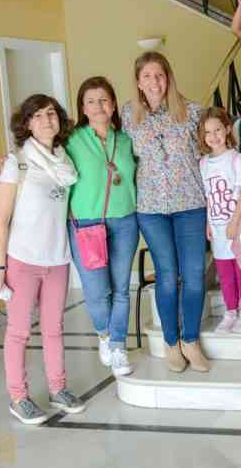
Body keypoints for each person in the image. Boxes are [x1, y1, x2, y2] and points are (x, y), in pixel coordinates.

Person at [0, 94, 86, 424]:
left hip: (57, 259)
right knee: (18, 333)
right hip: (22, 260)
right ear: (26, 123)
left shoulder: (65, 161)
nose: (47, 120)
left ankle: (59, 389)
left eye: (52, 114)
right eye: (39, 115)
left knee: (54, 329)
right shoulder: (16, 163)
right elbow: (2, 220)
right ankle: (19, 397)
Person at [122, 51, 209, 373]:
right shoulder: (129, 115)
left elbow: (210, 155)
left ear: (168, 77)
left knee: (195, 276)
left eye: (159, 75)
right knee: (168, 277)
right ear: (138, 82)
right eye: (147, 76)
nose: (154, 82)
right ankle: (171, 343)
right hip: (151, 209)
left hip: (191, 206)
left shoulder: (193, 112)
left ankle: (191, 340)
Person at [66, 77, 138, 377]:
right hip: (86, 223)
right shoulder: (71, 140)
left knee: (121, 288)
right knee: (97, 291)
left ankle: (118, 345)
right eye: (92, 100)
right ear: (83, 107)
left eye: (105, 99)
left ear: (113, 104)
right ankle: (105, 334)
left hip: (124, 220)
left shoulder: (126, 139)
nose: (99, 106)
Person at [198, 107, 241, 334]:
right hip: (217, 226)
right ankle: (230, 311)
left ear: (227, 129)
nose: (213, 136)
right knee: (224, 271)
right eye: (208, 132)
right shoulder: (203, 164)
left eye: (217, 130)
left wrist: (235, 222)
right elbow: (208, 196)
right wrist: (208, 223)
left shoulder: (237, 159)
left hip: (237, 225)